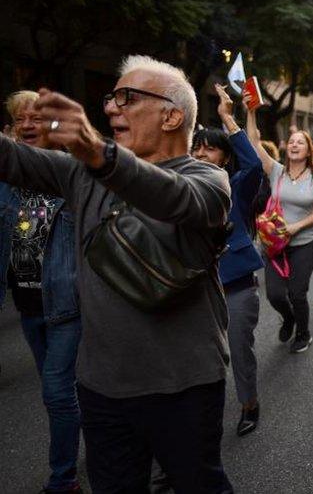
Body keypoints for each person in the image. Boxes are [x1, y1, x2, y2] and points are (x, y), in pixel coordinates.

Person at [0, 56, 234, 492]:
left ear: (172, 115)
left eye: (127, 98)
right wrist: (91, 157)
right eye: (111, 98)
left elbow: (173, 197)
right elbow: (11, 160)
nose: (110, 108)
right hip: (102, 387)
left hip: (184, 385)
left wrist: (99, 154)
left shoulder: (209, 179)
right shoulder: (81, 173)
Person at [1, 91, 82, 494]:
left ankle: (62, 479)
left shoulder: (69, 174)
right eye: (21, 119)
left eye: (36, 118)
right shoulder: (7, 181)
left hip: (65, 305)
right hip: (27, 305)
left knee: (55, 390)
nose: (28, 124)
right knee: (64, 390)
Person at [196, 84, 266, 436]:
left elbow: (254, 163)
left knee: (239, 349)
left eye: (211, 149)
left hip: (236, 285)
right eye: (198, 148)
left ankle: (249, 403)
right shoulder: (178, 184)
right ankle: (197, 424)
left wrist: (228, 118)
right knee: (198, 361)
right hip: (193, 288)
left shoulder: (237, 184)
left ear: (224, 157)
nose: (203, 154)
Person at [251, 124, 313, 353]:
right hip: (275, 245)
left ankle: (304, 334)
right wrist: (251, 110)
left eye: (300, 142)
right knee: (274, 294)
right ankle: (289, 318)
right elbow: (254, 142)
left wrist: (296, 227)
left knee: (297, 292)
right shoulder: (276, 171)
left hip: (304, 244)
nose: (294, 144)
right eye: (291, 141)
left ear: (309, 150)